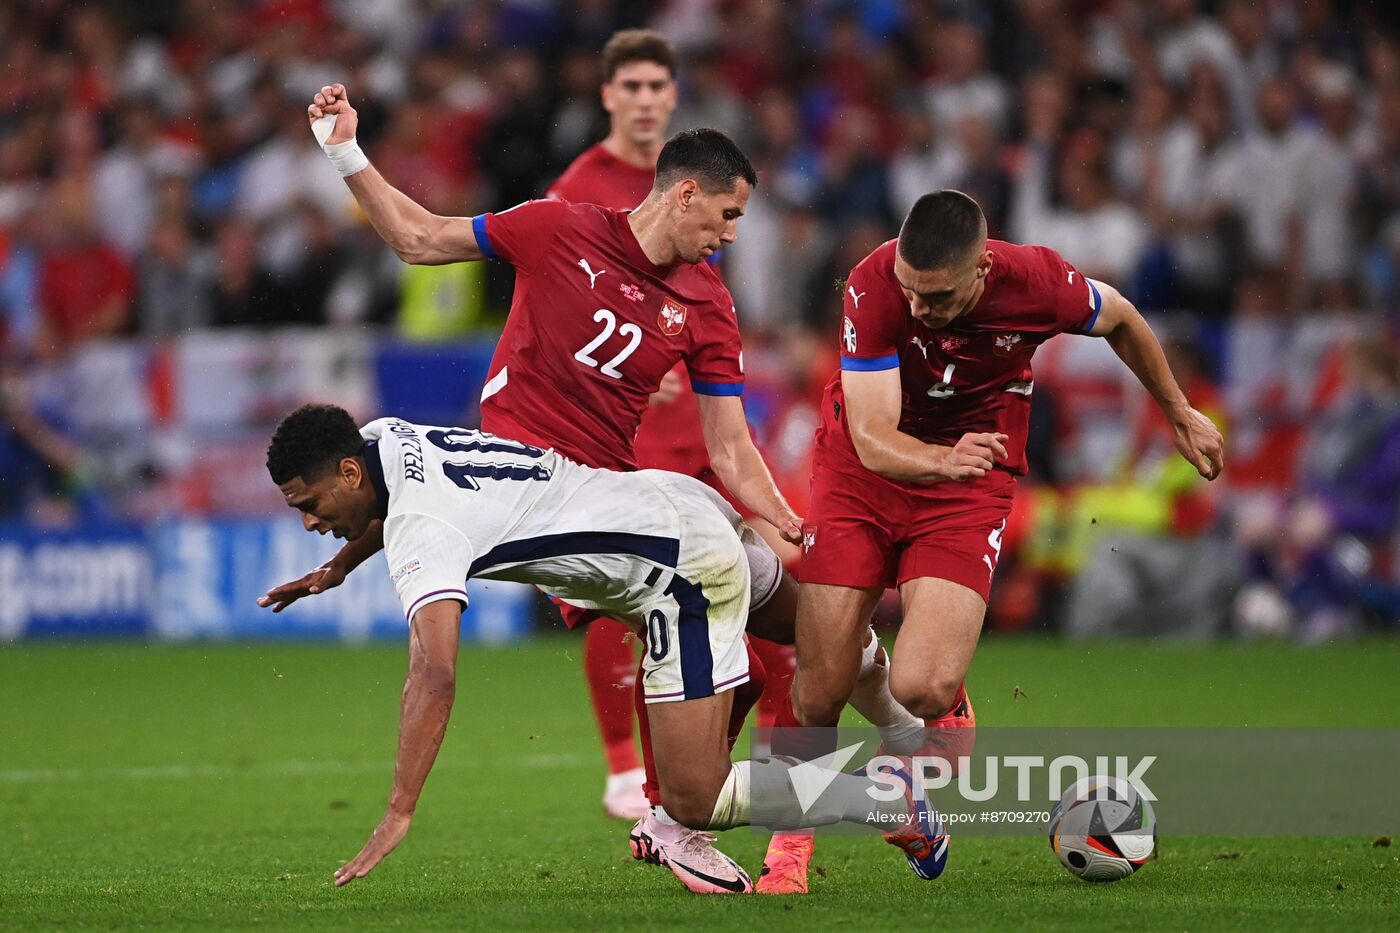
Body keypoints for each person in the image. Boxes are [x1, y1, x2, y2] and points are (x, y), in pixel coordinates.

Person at [261, 83, 919, 894]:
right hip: (609, 509)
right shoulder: (559, 226)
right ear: (684, 194)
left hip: (620, 514)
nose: (731, 235)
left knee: (764, 673)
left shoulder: (707, 302)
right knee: (775, 646)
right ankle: (874, 751)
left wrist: (784, 517)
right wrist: (344, 150)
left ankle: (875, 756)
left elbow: (728, 440)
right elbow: (419, 238)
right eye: (726, 215)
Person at [263, 405, 948, 891]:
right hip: (676, 499)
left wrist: (399, 810)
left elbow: (434, 674)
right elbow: (384, 506)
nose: (308, 519)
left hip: (676, 574)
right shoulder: (383, 437)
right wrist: (339, 567)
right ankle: (912, 729)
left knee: (694, 798)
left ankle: (886, 802)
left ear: (348, 471)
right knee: (816, 634)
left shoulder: (420, 527)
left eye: (310, 501)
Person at [779, 191, 1225, 876]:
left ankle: (931, 729)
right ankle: (791, 849)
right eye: (911, 291)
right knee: (817, 687)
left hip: (966, 483)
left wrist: (1178, 410)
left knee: (922, 685)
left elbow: (1124, 318)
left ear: (983, 269)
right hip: (861, 473)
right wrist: (938, 456)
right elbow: (870, 436)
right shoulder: (873, 283)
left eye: (937, 296)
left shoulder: (1039, 282)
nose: (920, 309)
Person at [544, 28, 801, 863]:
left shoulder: (709, 184)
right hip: (627, 451)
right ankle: (643, 780)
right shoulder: (582, 190)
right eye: (635, 86)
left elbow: (706, 311)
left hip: (706, 445)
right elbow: (551, 303)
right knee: (640, 618)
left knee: (755, 642)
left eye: (662, 84)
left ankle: (684, 801)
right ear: (609, 95)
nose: (650, 98)